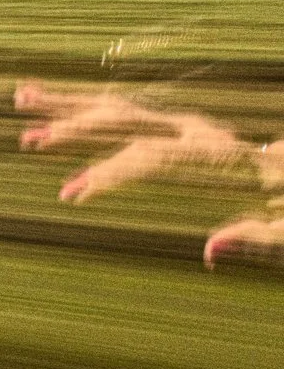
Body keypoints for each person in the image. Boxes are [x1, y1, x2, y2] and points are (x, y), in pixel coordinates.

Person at [15, 80, 284, 268]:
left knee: (154, 140)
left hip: (253, 164)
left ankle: (57, 132)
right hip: (252, 150)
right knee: (139, 115)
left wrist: (236, 237)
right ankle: (49, 116)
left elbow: (272, 232)